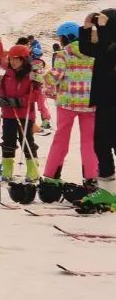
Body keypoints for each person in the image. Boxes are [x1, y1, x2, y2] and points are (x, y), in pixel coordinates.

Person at [41, 22, 96, 189]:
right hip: (90, 104)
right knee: (89, 141)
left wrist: (41, 78)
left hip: (67, 104)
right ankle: (91, 178)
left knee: (61, 139)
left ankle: (52, 176)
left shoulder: (63, 54)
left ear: (66, 37)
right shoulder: (94, 53)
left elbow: (55, 77)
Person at [79, 10, 116, 185]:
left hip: (112, 103)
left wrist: (102, 28)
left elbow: (106, 51)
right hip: (103, 102)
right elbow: (86, 49)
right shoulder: (105, 44)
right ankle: (108, 188)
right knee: (100, 144)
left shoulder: (110, 46)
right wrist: (86, 28)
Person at [0, 45, 39, 181]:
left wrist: (19, 101)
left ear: (24, 60)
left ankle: (33, 170)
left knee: (26, 141)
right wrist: (1, 99)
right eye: (11, 59)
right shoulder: (8, 73)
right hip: (8, 114)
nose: (13, 62)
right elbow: (1, 89)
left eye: (16, 59)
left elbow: (35, 95)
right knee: (8, 141)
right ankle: (7, 169)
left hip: (25, 115)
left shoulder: (31, 75)